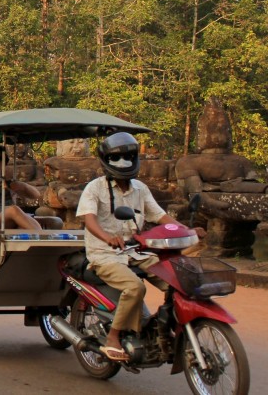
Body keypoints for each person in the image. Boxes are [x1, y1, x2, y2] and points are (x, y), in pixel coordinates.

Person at [75, 132, 205, 362]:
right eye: (117, 158)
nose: (123, 163)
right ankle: (113, 337)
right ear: (106, 160)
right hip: (105, 254)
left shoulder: (140, 189)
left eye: (128, 157)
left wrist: (187, 231)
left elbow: (161, 216)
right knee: (136, 288)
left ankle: (161, 330)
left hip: (137, 251)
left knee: (180, 281)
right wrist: (107, 237)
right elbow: (89, 219)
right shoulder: (94, 188)